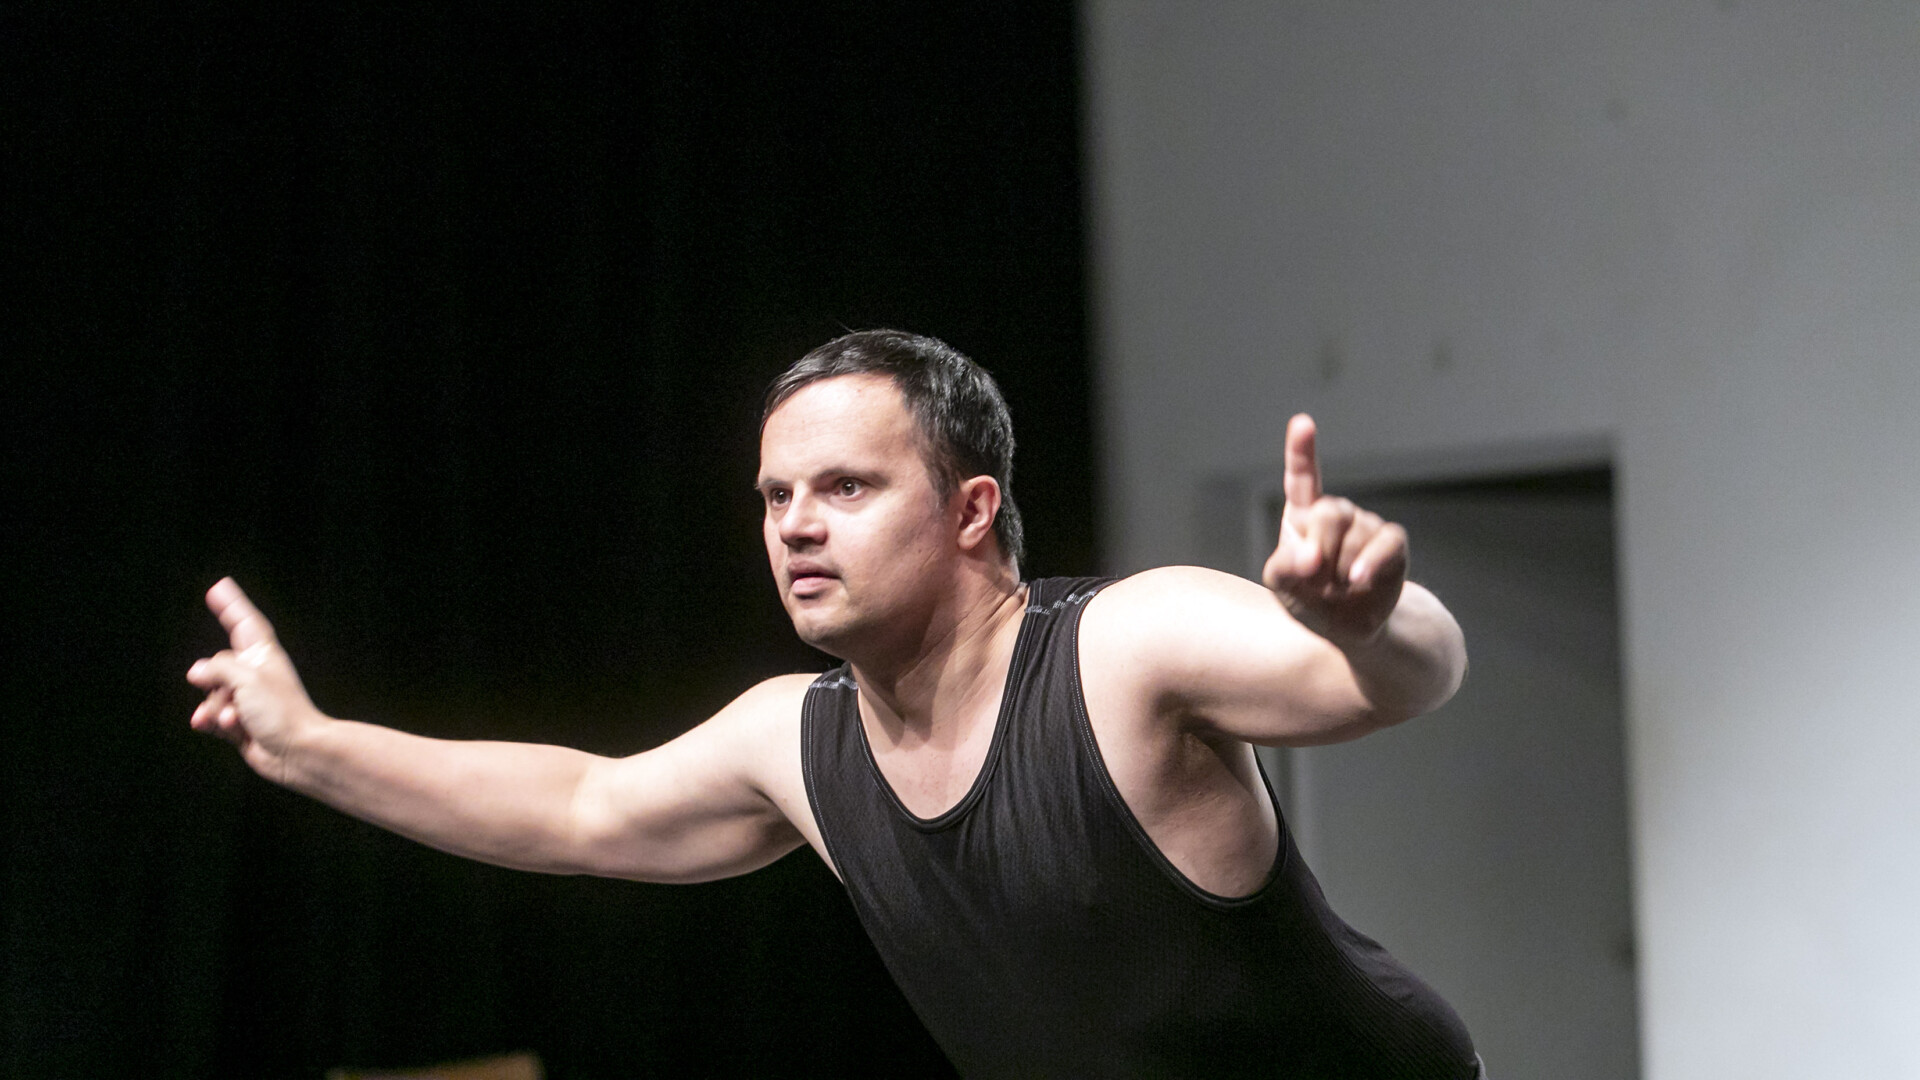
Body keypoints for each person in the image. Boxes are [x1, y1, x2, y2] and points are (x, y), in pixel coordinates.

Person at [189, 329, 1484, 1078]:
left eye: (847, 488)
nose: (797, 526)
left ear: (973, 509)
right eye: (773, 497)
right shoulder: (796, 741)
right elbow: (584, 806)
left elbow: (1395, 682)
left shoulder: (1120, 649)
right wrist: (309, 749)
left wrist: (1376, 612)